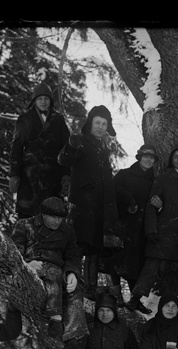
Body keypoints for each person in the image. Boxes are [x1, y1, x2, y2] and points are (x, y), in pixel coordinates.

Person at [58, 105, 123, 298]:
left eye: (104, 124)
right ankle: (69, 285)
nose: (101, 127)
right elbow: (63, 160)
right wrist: (70, 145)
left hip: (100, 208)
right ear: (91, 123)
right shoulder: (81, 141)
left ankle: (91, 290)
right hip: (82, 206)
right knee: (78, 248)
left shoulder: (104, 147)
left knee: (95, 250)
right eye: (98, 123)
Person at [130, 144, 178, 309]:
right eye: (175, 157)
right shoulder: (163, 178)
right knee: (152, 265)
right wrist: (151, 230)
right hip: (165, 231)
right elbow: (151, 205)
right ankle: (136, 298)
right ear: (171, 160)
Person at [9, 196, 86, 341]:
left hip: (60, 270)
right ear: (43, 214)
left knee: (75, 293)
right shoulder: (25, 225)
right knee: (52, 273)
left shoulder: (67, 231)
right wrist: (26, 264)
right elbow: (14, 252)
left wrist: (72, 273)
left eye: (60, 218)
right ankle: (55, 320)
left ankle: (75, 338)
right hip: (35, 267)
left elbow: (73, 256)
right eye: (53, 217)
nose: (57, 221)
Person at [9, 81, 71, 218]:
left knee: (51, 216)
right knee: (28, 218)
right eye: (40, 99)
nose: (43, 102)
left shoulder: (58, 120)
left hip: (53, 176)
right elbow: (16, 149)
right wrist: (14, 174)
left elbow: (66, 149)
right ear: (34, 101)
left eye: (46, 99)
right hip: (29, 176)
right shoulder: (24, 120)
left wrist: (67, 175)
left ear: (50, 100)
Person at [113, 145, 159, 307]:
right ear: (139, 157)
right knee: (115, 260)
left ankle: (135, 299)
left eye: (151, 157)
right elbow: (112, 190)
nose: (148, 160)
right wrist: (128, 199)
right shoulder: (125, 174)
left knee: (136, 263)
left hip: (142, 229)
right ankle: (116, 295)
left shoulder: (155, 180)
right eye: (145, 156)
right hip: (123, 224)